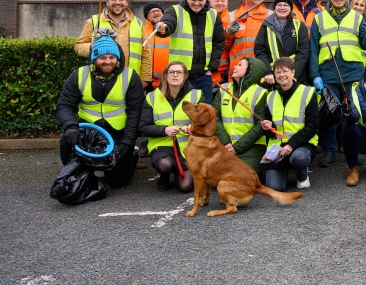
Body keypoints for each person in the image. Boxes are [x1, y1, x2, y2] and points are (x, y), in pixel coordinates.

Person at [55, 36, 145, 190]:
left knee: (116, 183)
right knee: (67, 140)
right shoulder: (79, 75)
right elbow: (64, 105)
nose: (108, 61)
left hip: (118, 133)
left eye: (112, 57)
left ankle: (133, 154)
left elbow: (135, 112)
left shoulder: (130, 77)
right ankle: (85, 165)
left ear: (117, 58)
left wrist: (128, 142)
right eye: (102, 57)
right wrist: (70, 127)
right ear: (94, 58)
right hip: (88, 130)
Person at [309, 0, 366, 167]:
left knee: (354, 114)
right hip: (328, 73)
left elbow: (365, 44)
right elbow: (313, 49)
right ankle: (329, 150)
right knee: (331, 114)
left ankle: (353, 149)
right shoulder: (319, 18)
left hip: (352, 72)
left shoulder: (357, 17)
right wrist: (315, 75)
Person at [154, 0, 225, 105]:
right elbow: (167, 24)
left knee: (205, 114)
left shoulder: (213, 14)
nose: (196, 3)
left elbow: (219, 42)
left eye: (200, 0)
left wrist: (211, 68)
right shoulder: (175, 11)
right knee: (180, 110)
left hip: (204, 75)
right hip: (180, 75)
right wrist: (163, 28)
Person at [139, 61, 202, 192]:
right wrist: (164, 130)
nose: (175, 75)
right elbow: (144, 127)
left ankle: (180, 171)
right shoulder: (152, 97)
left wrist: (192, 126)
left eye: (179, 72)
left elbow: (205, 122)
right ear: (165, 76)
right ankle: (165, 175)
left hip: (188, 147)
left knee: (185, 187)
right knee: (164, 165)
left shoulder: (197, 95)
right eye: (171, 72)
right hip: (162, 145)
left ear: (185, 76)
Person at [74, 0, 153, 88]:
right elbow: (78, 46)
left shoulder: (138, 23)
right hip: (102, 81)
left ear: (126, 2)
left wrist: (145, 79)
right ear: (107, 2)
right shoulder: (93, 22)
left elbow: (145, 52)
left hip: (131, 81)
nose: (117, 2)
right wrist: (91, 47)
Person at [262, 57, 320, 191]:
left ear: (293, 72)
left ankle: (302, 174)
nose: (282, 75)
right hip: (278, 147)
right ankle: (286, 166)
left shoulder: (307, 92)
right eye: (278, 72)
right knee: (274, 188)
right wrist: (267, 127)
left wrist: (291, 144)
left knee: (299, 158)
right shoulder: (271, 96)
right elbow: (269, 131)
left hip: (301, 144)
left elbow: (312, 126)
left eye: (285, 71)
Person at [214, 56, 269, 176]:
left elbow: (259, 125)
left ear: (250, 70)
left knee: (243, 177)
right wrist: (227, 143)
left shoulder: (260, 93)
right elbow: (215, 117)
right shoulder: (224, 89)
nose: (234, 67)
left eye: (240, 65)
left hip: (251, 148)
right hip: (225, 146)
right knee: (218, 177)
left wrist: (237, 147)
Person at [254, 0, 309, 84]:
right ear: (274, 8)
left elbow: (303, 53)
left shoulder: (299, 26)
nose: (282, 8)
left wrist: (292, 74)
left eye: (285, 5)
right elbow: (260, 51)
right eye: (279, 5)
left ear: (291, 8)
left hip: (296, 78)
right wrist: (268, 71)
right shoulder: (265, 26)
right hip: (273, 78)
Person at [219, 0, 268, 85]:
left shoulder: (269, 16)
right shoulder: (231, 17)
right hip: (238, 70)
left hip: (262, 69)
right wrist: (227, 34)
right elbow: (223, 45)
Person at [142, 3, 168, 89]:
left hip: (166, 78)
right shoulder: (141, 30)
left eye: (158, 11)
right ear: (146, 15)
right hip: (146, 79)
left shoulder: (170, 30)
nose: (156, 13)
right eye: (152, 11)